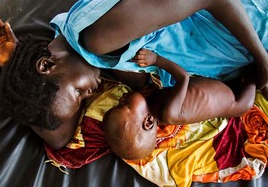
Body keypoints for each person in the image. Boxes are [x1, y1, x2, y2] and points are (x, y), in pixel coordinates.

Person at [0, 0, 268, 150]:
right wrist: (10, 65)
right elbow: (59, 139)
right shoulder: (78, 52)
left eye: (79, 93)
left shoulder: (98, 37)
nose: (90, 95)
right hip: (236, 56)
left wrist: (263, 61)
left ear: (46, 65)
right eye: (83, 100)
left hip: (254, 28)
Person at [102, 49, 256, 160]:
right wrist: (156, 60)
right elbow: (183, 77)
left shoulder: (154, 102)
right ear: (148, 122)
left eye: (117, 103)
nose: (121, 97)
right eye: (125, 104)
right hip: (237, 104)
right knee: (255, 75)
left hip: (223, 84)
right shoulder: (169, 112)